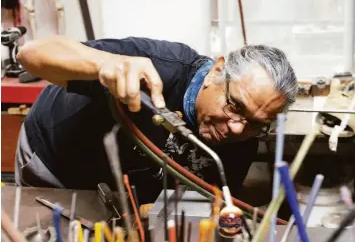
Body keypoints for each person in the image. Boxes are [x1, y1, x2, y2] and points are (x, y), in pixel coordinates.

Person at [15, 36, 297, 203]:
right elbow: (31, 53)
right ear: (216, 71)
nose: (237, 127)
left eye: (257, 123)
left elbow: (213, 202)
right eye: (235, 105)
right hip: (56, 161)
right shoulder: (158, 66)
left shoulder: (243, 137)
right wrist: (104, 65)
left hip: (123, 193)